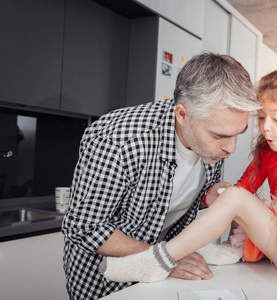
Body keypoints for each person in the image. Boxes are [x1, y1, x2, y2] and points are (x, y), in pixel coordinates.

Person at [100, 68, 277, 299]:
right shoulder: (267, 151)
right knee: (233, 194)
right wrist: (217, 195)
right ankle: (217, 251)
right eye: (261, 118)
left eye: (276, 119)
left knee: (234, 197)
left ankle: (156, 260)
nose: (266, 128)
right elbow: (242, 189)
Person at [62, 52, 260, 300]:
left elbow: (168, 199)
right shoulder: (117, 140)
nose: (231, 148)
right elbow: (85, 228)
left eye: (238, 134)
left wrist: (204, 197)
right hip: (105, 286)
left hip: (165, 279)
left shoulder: (209, 144)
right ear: (182, 114)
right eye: (219, 136)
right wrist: (166, 258)